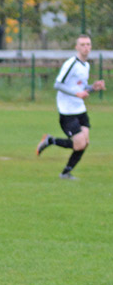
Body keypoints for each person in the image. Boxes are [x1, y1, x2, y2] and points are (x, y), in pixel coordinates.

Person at [36, 34, 105, 179]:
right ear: (77, 47)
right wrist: (76, 94)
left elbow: (81, 87)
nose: (86, 47)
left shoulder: (86, 65)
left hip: (80, 109)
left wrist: (93, 87)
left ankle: (66, 172)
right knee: (79, 144)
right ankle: (50, 141)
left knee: (84, 143)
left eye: (88, 44)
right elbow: (58, 84)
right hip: (67, 111)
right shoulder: (71, 63)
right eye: (83, 45)